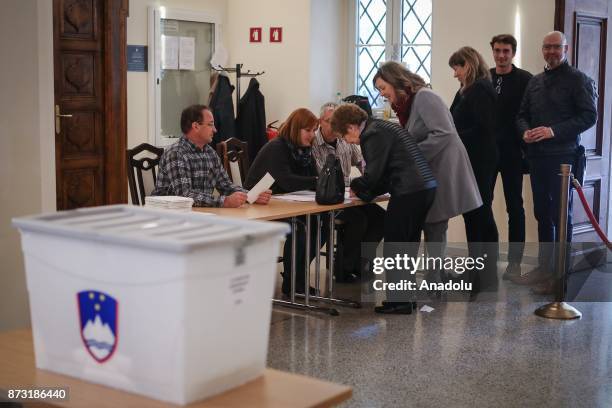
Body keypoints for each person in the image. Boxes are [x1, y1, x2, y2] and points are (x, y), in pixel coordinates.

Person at [373, 62, 481, 288]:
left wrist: (410, 156)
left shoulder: (424, 97)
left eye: (383, 88)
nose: (382, 94)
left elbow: (443, 133)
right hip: (432, 167)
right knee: (434, 223)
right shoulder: (410, 103)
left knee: (435, 223)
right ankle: (436, 275)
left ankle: (434, 279)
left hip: (442, 166)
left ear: (395, 80)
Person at [331, 104, 436, 314]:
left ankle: (399, 302)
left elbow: (374, 175)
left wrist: (356, 186)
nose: (346, 141)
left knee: (395, 245)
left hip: (408, 190)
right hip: (425, 186)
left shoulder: (371, 135)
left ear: (351, 127)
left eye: (343, 136)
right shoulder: (382, 126)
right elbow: (385, 173)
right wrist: (367, 190)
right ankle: (406, 298)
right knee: (408, 243)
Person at [515, 31, 597, 294]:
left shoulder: (578, 80)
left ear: (566, 49)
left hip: (563, 158)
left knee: (562, 217)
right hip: (536, 158)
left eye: (555, 47)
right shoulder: (536, 81)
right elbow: (521, 114)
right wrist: (524, 131)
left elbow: (589, 116)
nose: (550, 52)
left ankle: (561, 276)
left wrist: (553, 131)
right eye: (546, 47)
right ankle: (544, 268)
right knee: (542, 214)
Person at [245, 108, 328, 296]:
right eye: (308, 130)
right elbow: (287, 181)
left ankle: (298, 277)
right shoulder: (277, 147)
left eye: (314, 130)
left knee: (320, 224)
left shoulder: (304, 150)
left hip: (285, 204)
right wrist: (317, 181)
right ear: (296, 129)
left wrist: (317, 180)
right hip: (260, 206)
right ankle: (291, 281)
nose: (312, 135)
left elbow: (312, 177)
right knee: (300, 228)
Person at [311, 102, 385, 283]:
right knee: (358, 219)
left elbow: (362, 161)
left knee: (381, 217)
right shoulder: (313, 143)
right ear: (321, 121)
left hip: (346, 195)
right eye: (329, 121)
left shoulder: (345, 139)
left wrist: (369, 179)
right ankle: (344, 266)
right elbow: (320, 178)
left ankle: (361, 262)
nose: (333, 126)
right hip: (327, 198)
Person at [449, 46, 499, 294]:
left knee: (478, 213)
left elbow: (484, 128)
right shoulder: (468, 89)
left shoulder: (479, 89)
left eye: (456, 68)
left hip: (480, 160)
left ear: (467, 65)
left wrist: (455, 136)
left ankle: (481, 272)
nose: (455, 74)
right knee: (477, 213)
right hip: (472, 159)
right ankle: (478, 269)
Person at [153, 104, 271, 208]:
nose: (215, 130)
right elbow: (184, 196)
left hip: (200, 215)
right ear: (196, 126)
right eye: (210, 124)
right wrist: (224, 202)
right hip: (170, 217)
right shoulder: (176, 153)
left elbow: (225, 186)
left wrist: (251, 195)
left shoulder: (210, 152)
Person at [489, 34, 533, 281]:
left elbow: (529, 113)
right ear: (492, 52)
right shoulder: (484, 76)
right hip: (486, 152)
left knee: (514, 207)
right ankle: (486, 259)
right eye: (497, 50)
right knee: (482, 204)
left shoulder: (525, 79)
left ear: (513, 52)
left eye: (506, 51)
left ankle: (514, 264)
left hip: (513, 152)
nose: (501, 55)